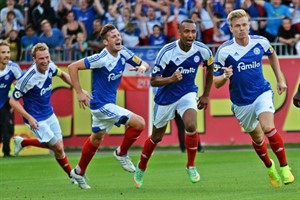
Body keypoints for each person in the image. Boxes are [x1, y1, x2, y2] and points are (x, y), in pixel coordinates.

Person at [213, 9, 294, 188]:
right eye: (237, 26)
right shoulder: (224, 51)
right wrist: (225, 76)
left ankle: (285, 167)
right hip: (241, 102)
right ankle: (270, 167)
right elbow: (216, 82)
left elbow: (272, 54)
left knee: (268, 127)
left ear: (249, 24)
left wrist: (280, 79)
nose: (242, 29)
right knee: (258, 139)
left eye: (244, 25)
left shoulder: (260, 42)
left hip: (262, 92)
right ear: (231, 28)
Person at [133, 19, 214, 188]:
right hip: (166, 98)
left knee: (191, 126)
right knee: (157, 137)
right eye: (186, 32)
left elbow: (210, 68)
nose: (190, 35)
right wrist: (171, 79)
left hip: (187, 93)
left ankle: (191, 165)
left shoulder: (203, 50)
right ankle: (141, 167)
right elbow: (154, 80)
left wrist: (206, 94)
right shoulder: (167, 51)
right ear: (179, 32)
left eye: (193, 32)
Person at [68, 23, 150, 190]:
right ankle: (121, 153)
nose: (118, 37)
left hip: (107, 105)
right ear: (106, 42)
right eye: (113, 36)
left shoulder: (124, 52)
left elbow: (145, 64)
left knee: (96, 139)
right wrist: (79, 92)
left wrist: (142, 67)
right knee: (139, 123)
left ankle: (78, 171)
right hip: (100, 105)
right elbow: (72, 67)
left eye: (118, 35)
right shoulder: (101, 58)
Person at [10, 42, 76, 184]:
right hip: (35, 118)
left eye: (47, 57)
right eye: (41, 58)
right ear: (34, 59)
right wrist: (29, 118)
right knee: (57, 147)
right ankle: (74, 176)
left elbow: (63, 74)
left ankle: (23, 142)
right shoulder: (27, 78)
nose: (45, 61)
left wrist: (79, 89)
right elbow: (13, 101)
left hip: (49, 114)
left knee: (59, 148)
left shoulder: (51, 67)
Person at [0, 40, 22, 157]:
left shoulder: (13, 67)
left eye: (8, 52)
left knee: (8, 128)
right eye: (3, 52)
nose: (7, 55)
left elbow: (22, 84)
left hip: (6, 102)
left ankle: (7, 152)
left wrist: (15, 101)